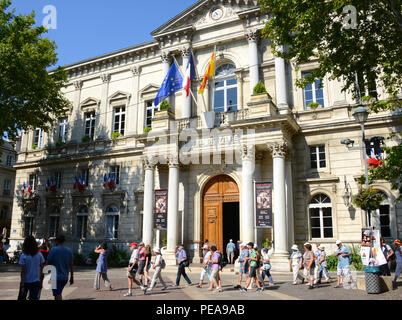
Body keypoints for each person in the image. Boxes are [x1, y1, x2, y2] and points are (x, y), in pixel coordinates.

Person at [46, 235, 73, 300]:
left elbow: (48, 261)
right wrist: (72, 276)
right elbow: (71, 265)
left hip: (55, 277)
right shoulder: (69, 250)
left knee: (57, 294)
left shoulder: (53, 250)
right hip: (64, 277)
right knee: (58, 293)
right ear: (64, 241)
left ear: (56, 241)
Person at [18, 235, 45, 300]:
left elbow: (23, 272)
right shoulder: (39, 255)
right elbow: (42, 269)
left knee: (22, 298)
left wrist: (22, 284)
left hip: (26, 281)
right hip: (36, 281)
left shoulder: (23, 255)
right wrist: (41, 281)